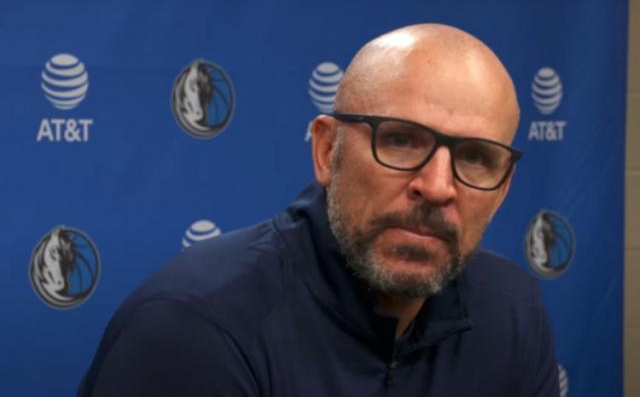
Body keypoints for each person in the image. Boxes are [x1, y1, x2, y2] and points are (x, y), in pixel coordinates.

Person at [78, 24, 559, 396]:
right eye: (400, 140)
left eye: (474, 158)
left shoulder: (511, 313)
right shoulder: (194, 327)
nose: (436, 187)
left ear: (502, 189)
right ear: (328, 151)